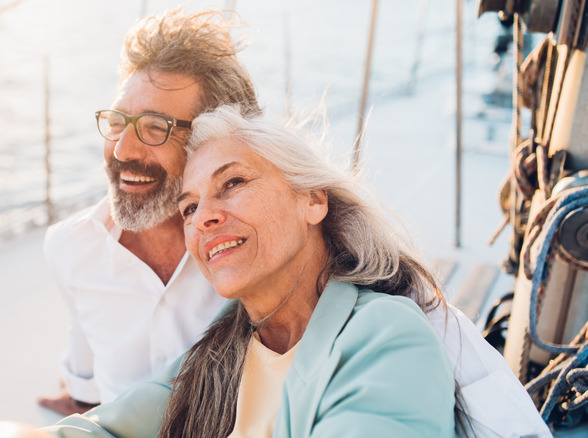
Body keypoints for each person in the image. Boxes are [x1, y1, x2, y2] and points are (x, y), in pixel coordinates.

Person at [44, 105, 458, 437]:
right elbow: (110, 427)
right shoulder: (221, 351)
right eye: (189, 207)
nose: (204, 216)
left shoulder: (385, 335)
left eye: (234, 182)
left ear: (312, 200)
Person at [37, 8, 260, 416]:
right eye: (118, 122)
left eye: (155, 127)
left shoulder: (260, 242)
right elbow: (89, 384)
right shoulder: (70, 247)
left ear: (216, 139)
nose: (122, 151)